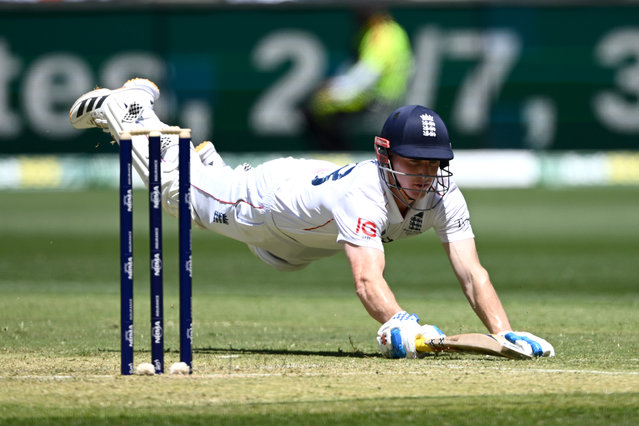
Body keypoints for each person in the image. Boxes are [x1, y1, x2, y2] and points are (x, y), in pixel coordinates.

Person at [69, 78, 555, 359]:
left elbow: (472, 273)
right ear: (385, 156)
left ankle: (208, 165)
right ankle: (130, 107)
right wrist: (399, 321)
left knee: (281, 261)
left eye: (434, 163)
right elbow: (368, 280)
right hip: (266, 204)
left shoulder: (444, 195)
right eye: (414, 162)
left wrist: (502, 331)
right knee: (175, 195)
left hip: (295, 240)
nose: (426, 174)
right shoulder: (365, 190)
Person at [303, 8, 414, 151]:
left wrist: (334, 92)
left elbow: (369, 73)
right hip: (374, 94)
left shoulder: (381, 34)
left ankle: (340, 157)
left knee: (316, 107)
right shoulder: (391, 30)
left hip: (376, 97)